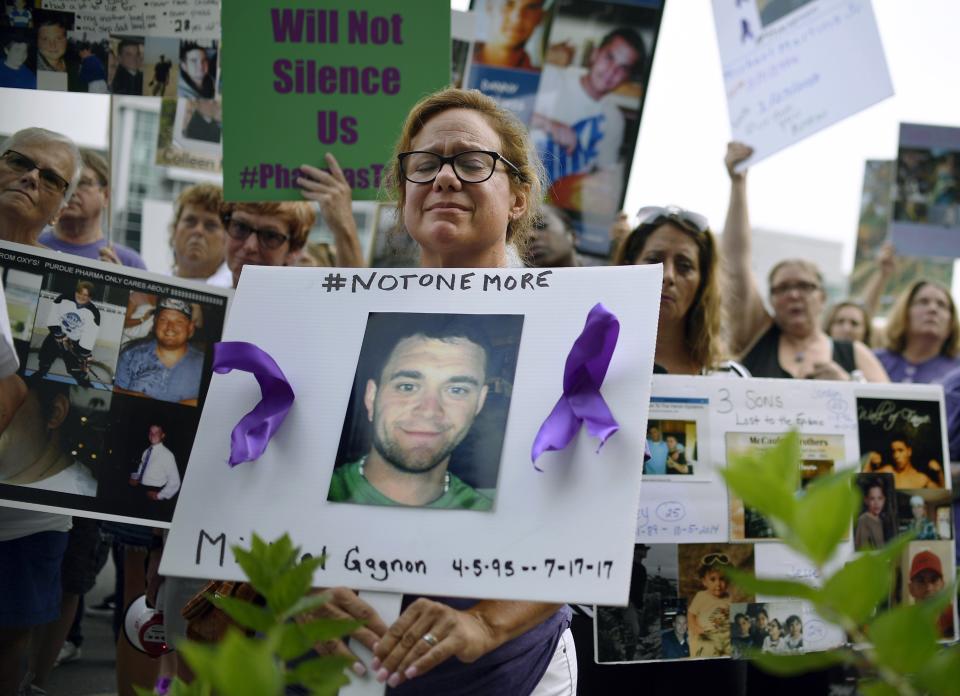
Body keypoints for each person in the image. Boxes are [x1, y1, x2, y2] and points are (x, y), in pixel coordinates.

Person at [297, 87, 573, 694]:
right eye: (425, 164)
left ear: (519, 196)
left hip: (508, 666)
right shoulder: (339, 324)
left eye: (472, 162)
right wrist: (301, 584)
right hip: (349, 650)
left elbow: (592, 522)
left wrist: (484, 624)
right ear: (403, 196)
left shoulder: (571, 332)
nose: (445, 177)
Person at [720, 142, 888, 382]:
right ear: (771, 301)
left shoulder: (854, 354)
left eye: (804, 286)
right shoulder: (755, 336)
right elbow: (735, 266)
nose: (794, 295)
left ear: (822, 298)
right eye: (783, 288)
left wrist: (847, 388)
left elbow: (892, 411)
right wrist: (738, 184)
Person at [328, 318, 494, 511]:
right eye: (407, 387)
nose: (429, 411)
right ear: (371, 397)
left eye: (457, 390)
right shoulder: (305, 495)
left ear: (479, 402)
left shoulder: (492, 518)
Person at [613, 205, 749, 377]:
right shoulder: (595, 368)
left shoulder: (731, 379)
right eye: (654, 260)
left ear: (703, 282)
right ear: (627, 269)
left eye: (684, 266)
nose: (668, 276)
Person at [531, 28, 646, 216]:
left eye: (623, 68)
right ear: (595, 54)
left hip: (556, 213)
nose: (612, 71)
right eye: (609, 57)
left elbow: (605, 173)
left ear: (627, 77)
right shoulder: (552, 79)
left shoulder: (614, 120)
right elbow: (499, 110)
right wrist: (549, 124)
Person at [39, 148, 146, 268]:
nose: (71, 191)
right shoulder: (30, 246)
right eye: (65, 183)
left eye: (83, 183)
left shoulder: (130, 263)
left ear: (106, 195)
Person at [114, 297, 203, 405]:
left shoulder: (203, 364)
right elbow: (114, 391)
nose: (170, 327)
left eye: (179, 321)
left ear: (190, 328)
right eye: (163, 320)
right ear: (155, 323)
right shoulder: (131, 354)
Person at [0, 127, 82, 245]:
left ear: (59, 212)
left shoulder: (58, 264)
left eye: (50, 179)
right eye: (19, 162)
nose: (32, 177)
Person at [875, 280, 960, 384]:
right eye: (923, 302)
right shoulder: (874, 361)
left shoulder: (957, 372)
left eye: (941, 305)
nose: (933, 309)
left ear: (952, 321)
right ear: (905, 312)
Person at [35, 279, 101, 388]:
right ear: (75, 292)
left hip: (74, 341)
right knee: (45, 356)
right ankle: (42, 371)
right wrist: (58, 333)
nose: (81, 296)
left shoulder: (94, 313)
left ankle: (83, 381)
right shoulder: (63, 298)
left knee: (74, 367)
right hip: (57, 336)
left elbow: (90, 334)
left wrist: (83, 352)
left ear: (90, 297)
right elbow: (53, 316)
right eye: (79, 293)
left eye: (86, 295)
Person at [168, 183, 230, 285]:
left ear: (227, 238)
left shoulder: (236, 294)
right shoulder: (149, 289)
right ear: (175, 229)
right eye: (190, 221)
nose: (198, 231)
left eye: (210, 225)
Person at [473, 0, 546, 70]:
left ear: (540, 16)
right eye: (508, 3)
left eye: (530, 7)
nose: (517, 19)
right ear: (489, 6)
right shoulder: (464, 57)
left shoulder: (542, 79)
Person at [688, 552, 731, 657]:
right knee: (707, 651)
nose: (718, 583)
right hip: (707, 635)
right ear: (704, 581)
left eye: (722, 579)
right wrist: (696, 627)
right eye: (713, 579)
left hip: (725, 636)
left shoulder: (729, 598)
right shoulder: (701, 596)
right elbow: (690, 615)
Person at [906, 550, 954, 638]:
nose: (928, 588)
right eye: (921, 581)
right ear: (911, 589)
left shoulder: (954, 614)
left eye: (934, 580)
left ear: (942, 585)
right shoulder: (902, 621)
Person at [128, 424, 181, 501]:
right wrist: (136, 479)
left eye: (156, 432)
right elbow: (142, 467)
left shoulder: (167, 455)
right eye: (151, 432)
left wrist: (159, 496)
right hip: (141, 490)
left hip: (154, 492)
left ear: (162, 435)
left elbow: (175, 481)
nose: (152, 434)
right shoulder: (146, 451)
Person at [864, 438, 941, 489]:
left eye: (900, 450)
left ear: (909, 451)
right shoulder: (888, 471)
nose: (896, 456)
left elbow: (942, 493)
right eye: (893, 451)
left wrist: (939, 472)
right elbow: (863, 481)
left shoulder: (921, 478)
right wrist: (869, 459)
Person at [855, 477, 888, 550]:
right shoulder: (864, 520)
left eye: (880, 498)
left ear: (884, 500)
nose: (876, 503)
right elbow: (862, 548)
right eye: (872, 499)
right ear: (866, 500)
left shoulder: (880, 520)